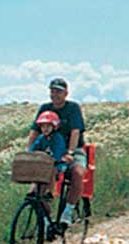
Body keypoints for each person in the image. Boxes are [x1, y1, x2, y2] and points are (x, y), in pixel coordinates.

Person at [28, 77, 86, 225]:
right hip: (50, 152)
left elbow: (75, 132)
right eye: (52, 91)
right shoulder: (44, 108)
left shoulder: (72, 108)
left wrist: (70, 153)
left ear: (66, 93)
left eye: (58, 92)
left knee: (77, 174)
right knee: (38, 188)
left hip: (72, 150)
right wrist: (29, 153)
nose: (55, 94)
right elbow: (34, 132)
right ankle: (47, 222)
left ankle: (68, 211)